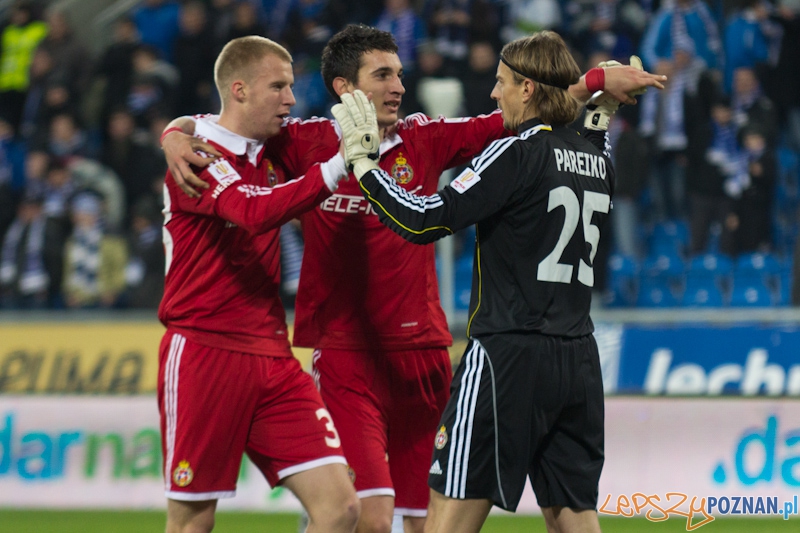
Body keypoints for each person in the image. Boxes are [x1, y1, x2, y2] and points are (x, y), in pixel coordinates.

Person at [161, 25, 665, 533]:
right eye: (383, 75)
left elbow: (521, 112)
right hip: (345, 355)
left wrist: (595, 78)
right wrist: (174, 135)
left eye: (400, 74)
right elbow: (225, 121)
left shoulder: (425, 137)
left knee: (427, 521)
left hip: (422, 357)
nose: (399, 87)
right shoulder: (301, 141)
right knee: (369, 518)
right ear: (344, 88)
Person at [333, 31, 631, 533]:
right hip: (579, 359)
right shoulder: (597, 159)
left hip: (506, 357)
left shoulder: (513, 151)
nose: (494, 95)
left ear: (529, 89)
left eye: (501, 83)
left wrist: (364, 165)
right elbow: (590, 142)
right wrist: (600, 117)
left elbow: (423, 218)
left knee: (447, 521)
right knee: (575, 518)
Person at [156, 35, 358, 532]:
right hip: (206, 348)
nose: (291, 98)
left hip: (271, 355)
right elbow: (252, 211)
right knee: (193, 523)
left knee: (341, 508)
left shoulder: (267, 148)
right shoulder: (197, 156)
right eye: (279, 87)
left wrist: (171, 129)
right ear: (240, 90)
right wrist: (339, 165)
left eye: (291, 86)